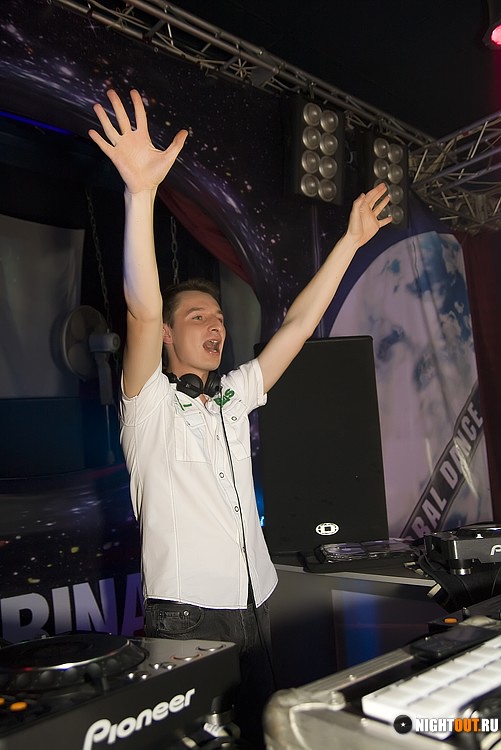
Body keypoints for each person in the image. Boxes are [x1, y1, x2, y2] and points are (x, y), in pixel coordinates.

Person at [89, 88, 391, 748]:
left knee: (262, 734)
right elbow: (142, 309)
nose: (215, 324)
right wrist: (140, 195)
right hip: (188, 618)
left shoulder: (232, 395)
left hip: (257, 603)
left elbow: (300, 325)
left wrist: (348, 242)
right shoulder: (148, 405)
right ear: (168, 337)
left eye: (219, 316)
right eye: (197, 316)